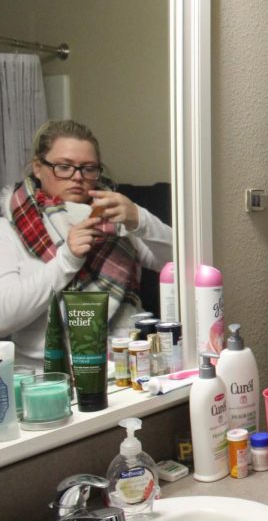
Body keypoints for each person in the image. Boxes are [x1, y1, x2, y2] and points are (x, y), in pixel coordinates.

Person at [0, 120, 172, 367]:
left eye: (89, 168)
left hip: (125, 368)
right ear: (38, 167)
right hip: (46, 376)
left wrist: (140, 219)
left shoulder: (114, 217)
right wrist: (66, 260)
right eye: (64, 167)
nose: (77, 177)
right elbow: (4, 318)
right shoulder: (9, 229)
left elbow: (181, 262)